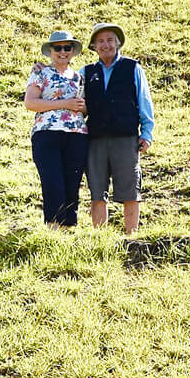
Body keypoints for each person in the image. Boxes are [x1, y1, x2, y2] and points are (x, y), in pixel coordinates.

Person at [83, 21, 154, 236]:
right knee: (97, 190)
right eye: (101, 41)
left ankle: (131, 237)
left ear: (118, 43)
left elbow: (144, 101)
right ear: (94, 46)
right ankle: (99, 238)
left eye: (110, 40)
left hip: (126, 137)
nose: (106, 45)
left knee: (130, 189)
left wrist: (147, 133)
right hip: (94, 138)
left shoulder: (133, 68)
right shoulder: (86, 72)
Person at [23, 30, 88, 227]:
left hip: (76, 135)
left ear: (72, 51)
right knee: (52, 182)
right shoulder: (40, 72)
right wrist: (64, 104)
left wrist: (79, 106)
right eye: (57, 48)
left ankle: (69, 228)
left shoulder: (79, 77)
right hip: (47, 133)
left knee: (72, 183)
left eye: (67, 48)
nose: (62, 52)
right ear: (50, 51)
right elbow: (30, 102)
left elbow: (83, 108)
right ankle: (53, 227)